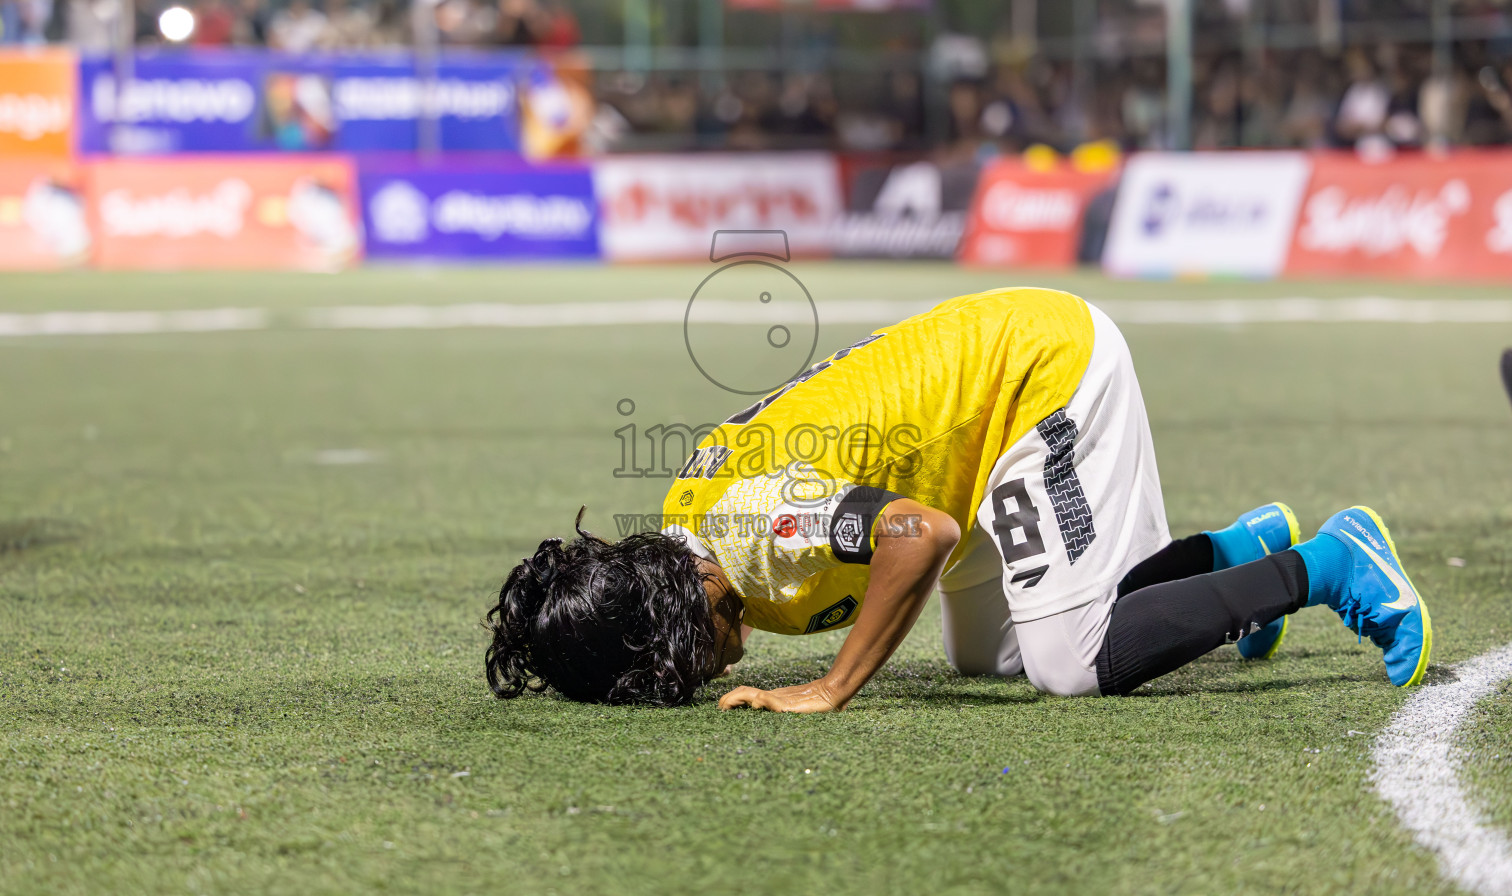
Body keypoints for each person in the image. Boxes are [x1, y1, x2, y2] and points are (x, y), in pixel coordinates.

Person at [486, 289, 1432, 711]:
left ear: (666, 612)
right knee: (990, 656)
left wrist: (829, 687)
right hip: (970, 434)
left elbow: (916, 533)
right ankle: (1236, 556)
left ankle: (1329, 566)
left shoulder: (750, 529)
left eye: (660, 671)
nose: (680, 683)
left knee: (1070, 660)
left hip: (1033, 377)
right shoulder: (699, 525)